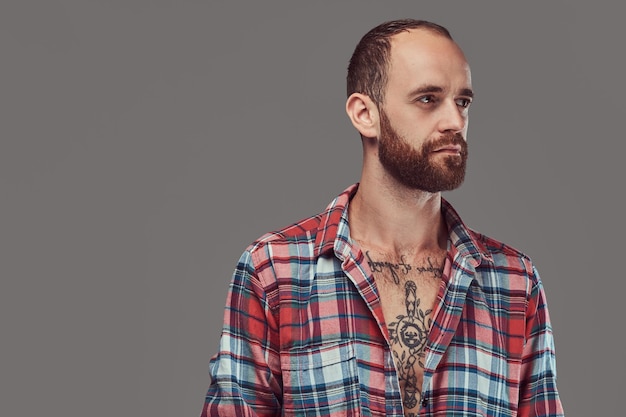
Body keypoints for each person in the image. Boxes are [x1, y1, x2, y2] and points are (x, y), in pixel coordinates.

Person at [201, 19, 564, 417]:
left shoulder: (514, 283)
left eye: (463, 102)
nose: (455, 122)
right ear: (364, 114)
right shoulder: (274, 273)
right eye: (428, 99)